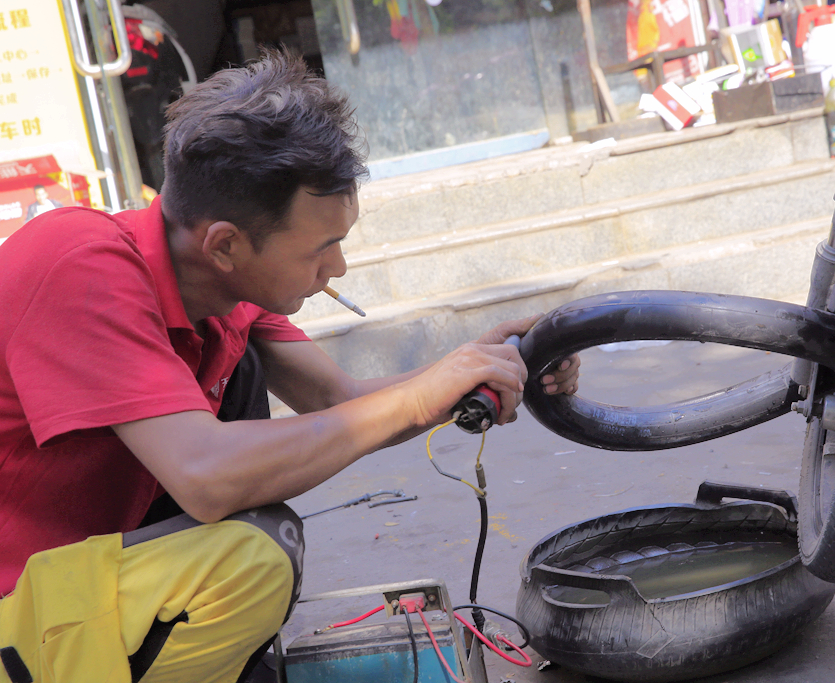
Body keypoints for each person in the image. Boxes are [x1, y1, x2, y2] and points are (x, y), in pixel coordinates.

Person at [0, 51, 580, 683]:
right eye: (321, 248)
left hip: (79, 584)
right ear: (225, 244)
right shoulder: (79, 265)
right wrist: (420, 397)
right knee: (256, 554)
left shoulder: (224, 293)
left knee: (244, 375)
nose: (338, 269)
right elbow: (205, 475)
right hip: (17, 608)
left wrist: (476, 366)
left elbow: (338, 400)